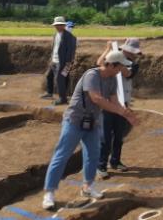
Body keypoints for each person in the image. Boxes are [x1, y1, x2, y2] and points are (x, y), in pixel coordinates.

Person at [41, 50, 138, 210]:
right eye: (121, 66)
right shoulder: (91, 75)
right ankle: (49, 193)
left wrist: (127, 114)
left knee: (93, 155)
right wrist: (121, 112)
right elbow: (97, 99)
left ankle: (87, 187)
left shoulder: (113, 79)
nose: (122, 70)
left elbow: (114, 101)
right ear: (112, 65)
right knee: (62, 156)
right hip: (74, 121)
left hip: (92, 123)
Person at [98, 39, 142, 177]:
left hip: (123, 103)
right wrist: (108, 50)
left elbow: (127, 73)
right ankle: (101, 165)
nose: (134, 55)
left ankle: (115, 161)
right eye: (133, 52)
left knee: (119, 135)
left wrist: (117, 60)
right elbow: (100, 63)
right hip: (108, 103)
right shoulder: (113, 56)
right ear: (126, 49)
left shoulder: (133, 64)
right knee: (105, 136)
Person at [41, 16, 77, 105]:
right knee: (49, 76)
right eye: (56, 25)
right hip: (54, 60)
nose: (57, 27)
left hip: (63, 62)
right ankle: (49, 93)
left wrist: (68, 63)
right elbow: (54, 48)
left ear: (63, 25)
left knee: (60, 79)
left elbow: (71, 51)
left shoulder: (70, 37)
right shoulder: (55, 35)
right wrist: (51, 59)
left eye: (59, 25)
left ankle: (63, 98)